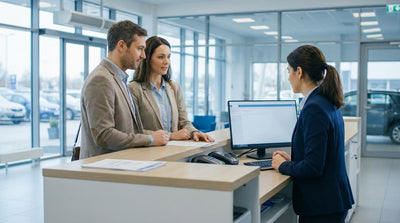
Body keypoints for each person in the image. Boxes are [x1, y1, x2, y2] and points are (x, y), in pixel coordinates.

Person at [271, 45, 354, 223]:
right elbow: (320, 156)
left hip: (322, 207)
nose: (288, 78)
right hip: (332, 201)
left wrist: (282, 166)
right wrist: (293, 162)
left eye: (289, 71)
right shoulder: (325, 100)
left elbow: (313, 168)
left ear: (299, 72)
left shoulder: (314, 108)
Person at [80, 21, 169, 159]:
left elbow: (129, 130)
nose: (143, 56)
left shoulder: (119, 78)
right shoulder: (101, 79)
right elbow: (104, 135)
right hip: (104, 170)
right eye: (139, 48)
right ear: (121, 45)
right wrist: (150, 139)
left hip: (121, 164)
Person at [128, 36, 214, 142]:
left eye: (168, 57)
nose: (166, 62)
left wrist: (194, 132)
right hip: (148, 151)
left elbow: (184, 122)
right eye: (160, 57)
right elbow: (133, 130)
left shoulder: (174, 87)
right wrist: (170, 135)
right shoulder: (134, 89)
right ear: (147, 58)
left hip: (173, 150)